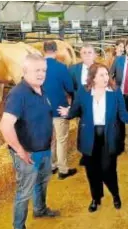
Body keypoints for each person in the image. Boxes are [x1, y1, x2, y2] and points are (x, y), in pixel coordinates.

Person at [58, 63, 128, 213]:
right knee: (92, 171)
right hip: (89, 137)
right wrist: (67, 113)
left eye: (107, 74)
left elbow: (123, 114)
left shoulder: (115, 91)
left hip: (109, 137)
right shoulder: (83, 91)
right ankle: (96, 198)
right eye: (102, 75)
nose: (106, 77)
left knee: (108, 170)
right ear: (93, 78)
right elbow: (75, 110)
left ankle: (115, 194)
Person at [0, 53, 60, 229]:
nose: (41, 73)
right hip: (28, 154)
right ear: (25, 71)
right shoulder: (18, 94)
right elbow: (5, 125)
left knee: (42, 181)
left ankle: (40, 209)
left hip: (43, 150)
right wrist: (19, 150)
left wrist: (50, 141)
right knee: (24, 192)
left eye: (43, 70)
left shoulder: (43, 91)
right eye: (37, 70)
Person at [42, 41, 77, 180]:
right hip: (59, 109)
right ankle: (63, 169)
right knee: (61, 139)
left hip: (43, 110)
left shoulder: (38, 67)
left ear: (43, 51)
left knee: (50, 139)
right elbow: (69, 87)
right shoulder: (61, 67)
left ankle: (51, 166)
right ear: (55, 51)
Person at [69, 43, 97, 167]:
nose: (87, 55)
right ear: (80, 54)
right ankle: (85, 154)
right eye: (84, 52)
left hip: (97, 104)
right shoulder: (74, 69)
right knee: (83, 129)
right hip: (81, 106)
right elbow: (72, 87)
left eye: (89, 52)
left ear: (94, 55)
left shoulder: (100, 68)